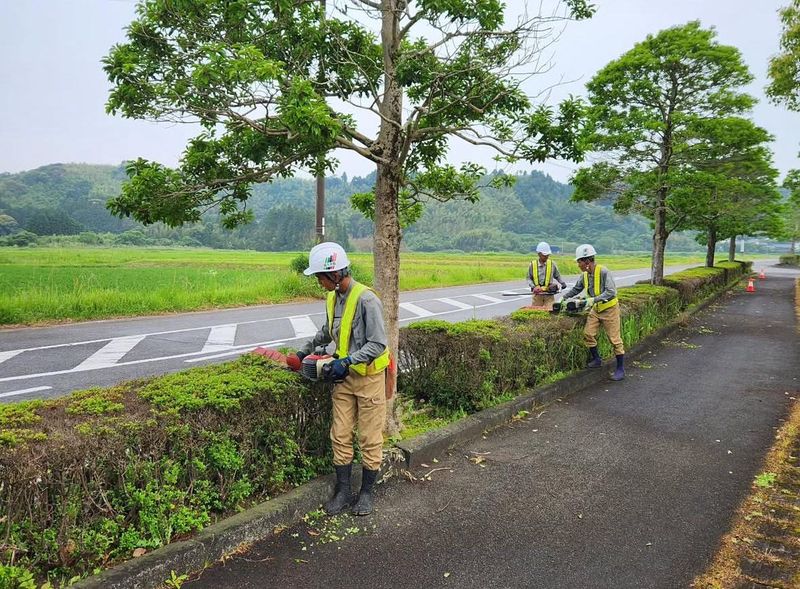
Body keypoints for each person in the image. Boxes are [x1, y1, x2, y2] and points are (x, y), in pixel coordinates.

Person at [289, 242, 390, 516]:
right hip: (343, 380)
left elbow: (378, 344)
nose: (319, 282)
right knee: (340, 434)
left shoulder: (368, 300)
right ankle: (343, 491)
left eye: (321, 277)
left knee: (369, 438)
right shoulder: (333, 298)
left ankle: (367, 493)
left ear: (335, 273)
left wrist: (347, 360)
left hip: (368, 379)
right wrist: (304, 351)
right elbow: (327, 332)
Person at [561, 244, 625, 381]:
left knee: (615, 340)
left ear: (587, 261)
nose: (578, 265)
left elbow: (611, 292)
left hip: (610, 309)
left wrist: (592, 300)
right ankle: (597, 359)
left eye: (579, 262)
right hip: (596, 309)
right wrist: (563, 298)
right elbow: (576, 289)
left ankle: (620, 369)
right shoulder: (584, 275)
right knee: (588, 334)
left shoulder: (604, 272)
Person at [527, 241, 567, 307]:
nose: (546, 257)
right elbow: (528, 278)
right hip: (538, 294)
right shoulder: (532, 265)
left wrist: (562, 283)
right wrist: (534, 287)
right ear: (539, 254)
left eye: (547, 255)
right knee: (537, 312)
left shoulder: (552, 264)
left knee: (550, 311)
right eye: (544, 255)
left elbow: (557, 276)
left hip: (549, 294)